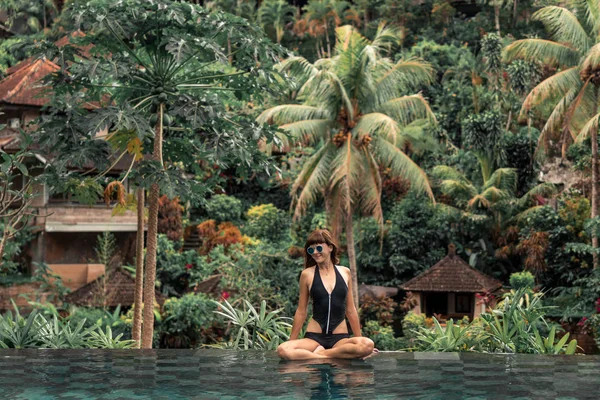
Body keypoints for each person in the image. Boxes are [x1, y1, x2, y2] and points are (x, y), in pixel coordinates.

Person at [277, 229, 377, 360]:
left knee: (367, 345)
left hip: (340, 339)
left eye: (318, 247)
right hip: (314, 338)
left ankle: (322, 354)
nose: (315, 252)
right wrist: (292, 342)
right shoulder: (307, 274)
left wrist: (359, 341)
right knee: (284, 349)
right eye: (311, 250)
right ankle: (328, 355)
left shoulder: (345, 272)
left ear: (330, 247)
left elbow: (350, 309)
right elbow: (301, 311)